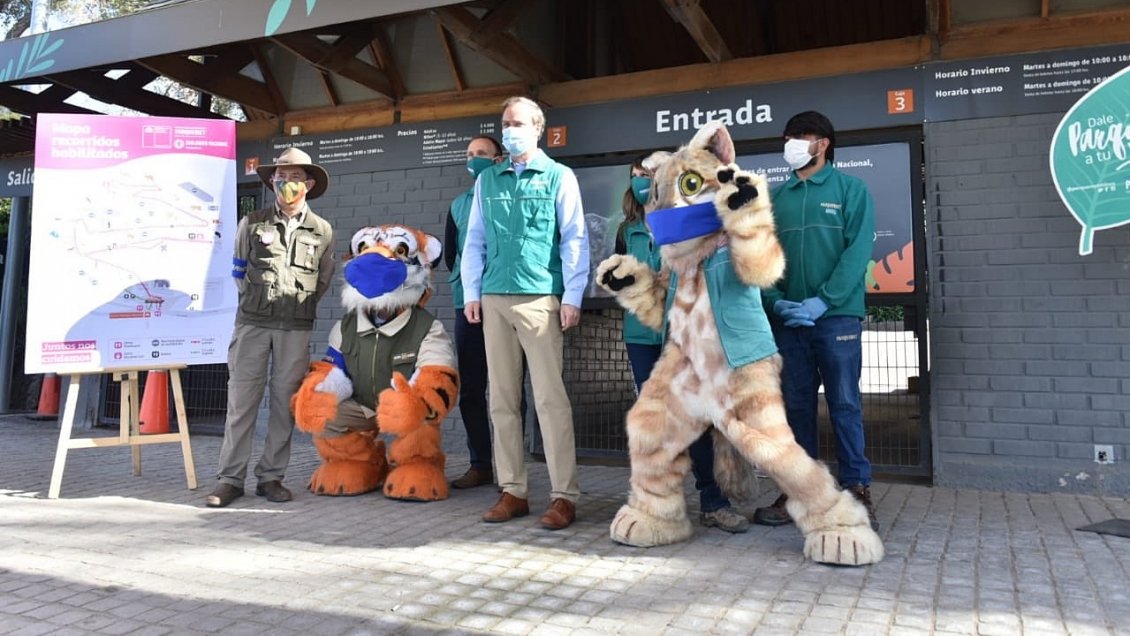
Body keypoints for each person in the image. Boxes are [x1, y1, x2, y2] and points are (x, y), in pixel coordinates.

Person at [461, 96, 590, 530]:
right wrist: (471, 292)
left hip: (540, 297)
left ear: (537, 128)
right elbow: (474, 240)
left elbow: (574, 238)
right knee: (501, 400)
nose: (509, 129)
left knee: (550, 400)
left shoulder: (559, 177)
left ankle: (563, 496)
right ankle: (512, 490)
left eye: (517, 123)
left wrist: (572, 295)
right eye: (504, 123)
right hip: (495, 297)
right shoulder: (488, 181)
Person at [752, 111, 878, 530]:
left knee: (844, 403)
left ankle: (857, 488)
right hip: (789, 321)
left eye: (800, 137)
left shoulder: (850, 190)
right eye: (788, 137)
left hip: (835, 318)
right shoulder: (774, 197)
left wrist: (824, 302)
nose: (791, 143)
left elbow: (857, 252)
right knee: (797, 406)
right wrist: (775, 301)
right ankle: (799, 491)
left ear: (822, 143)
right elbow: (760, 256)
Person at [612, 155, 749, 534]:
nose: (643, 181)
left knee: (697, 418)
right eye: (636, 175)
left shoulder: (691, 221)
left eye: (650, 174)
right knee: (653, 421)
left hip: (684, 333)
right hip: (642, 335)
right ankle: (656, 504)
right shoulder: (627, 231)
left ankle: (713, 501)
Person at [206, 147, 335, 508]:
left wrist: (296, 304)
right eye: (281, 177)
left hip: (295, 328)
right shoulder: (253, 223)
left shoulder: (323, 231)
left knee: (284, 406)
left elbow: (323, 280)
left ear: (308, 184)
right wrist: (259, 302)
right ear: (272, 181)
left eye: (295, 178)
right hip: (252, 325)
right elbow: (238, 272)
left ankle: (271, 477)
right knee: (241, 403)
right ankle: (230, 480)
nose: (287, 184)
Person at [444, 135, 504, 489]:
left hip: (504, 300)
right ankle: (480, 464)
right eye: (469, 154)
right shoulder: (458, 204)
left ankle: (512, 467)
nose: (474, 159)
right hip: (466, 306)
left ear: (498, 159)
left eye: (481, 153)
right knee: (471, 389)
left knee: (509, 388)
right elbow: (452, 254)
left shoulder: (506, 197)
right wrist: (468, 290)